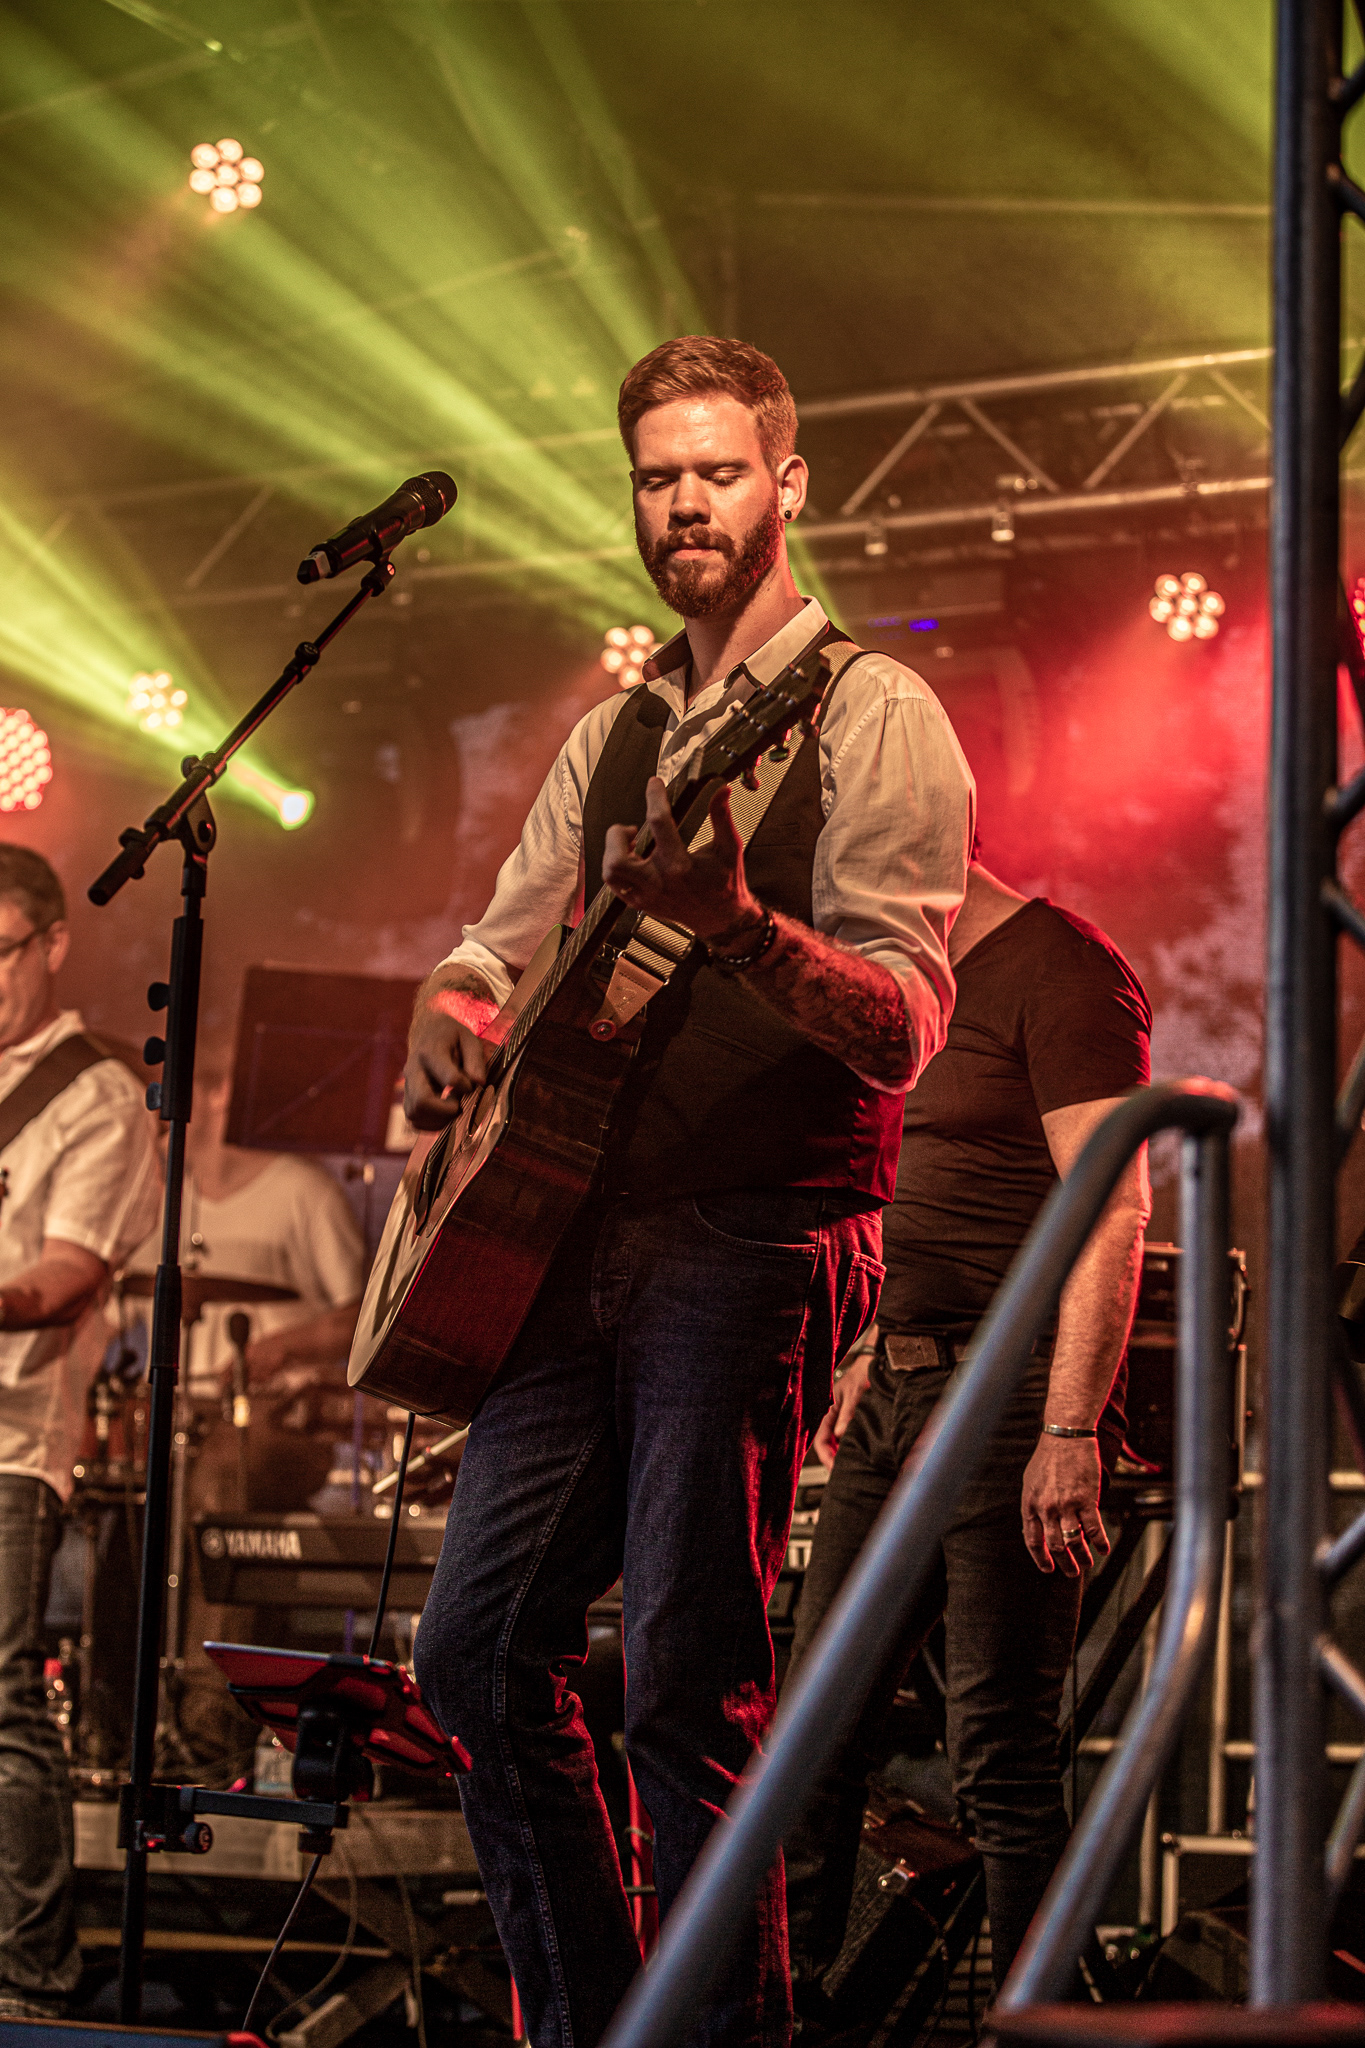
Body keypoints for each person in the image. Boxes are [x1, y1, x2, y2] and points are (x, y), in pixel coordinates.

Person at [406, 334, 975, 2048]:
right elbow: (496, 945)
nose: (683, 505)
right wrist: (452, 1006)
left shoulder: (874, 709)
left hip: (756, 1229)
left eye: (717, 472)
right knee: (470, 1654)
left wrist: (736, 922)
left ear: (787, 483)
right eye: (657, 478)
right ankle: (592, 2023)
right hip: (568, 1234)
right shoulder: (619, 729)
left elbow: (904, 1028)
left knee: (685, 1683)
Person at [781, 855, 1152, 2007]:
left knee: (999, 1758)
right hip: (901, 1389)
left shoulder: (1063, 967)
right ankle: (787, 2018)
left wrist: (1071, 1425)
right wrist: (865, 1345)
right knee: (811, 1734)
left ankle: (1039, 2024)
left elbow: (1115, 1209)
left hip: (1010, 1389)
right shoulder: (911, 985)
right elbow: (910, 1188)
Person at [0, 845, 160, 2020]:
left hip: (8, 1444)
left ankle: (27, 1979)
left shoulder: (93, 1092)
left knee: (1, 1704)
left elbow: (65, 1278)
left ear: (53, 942)